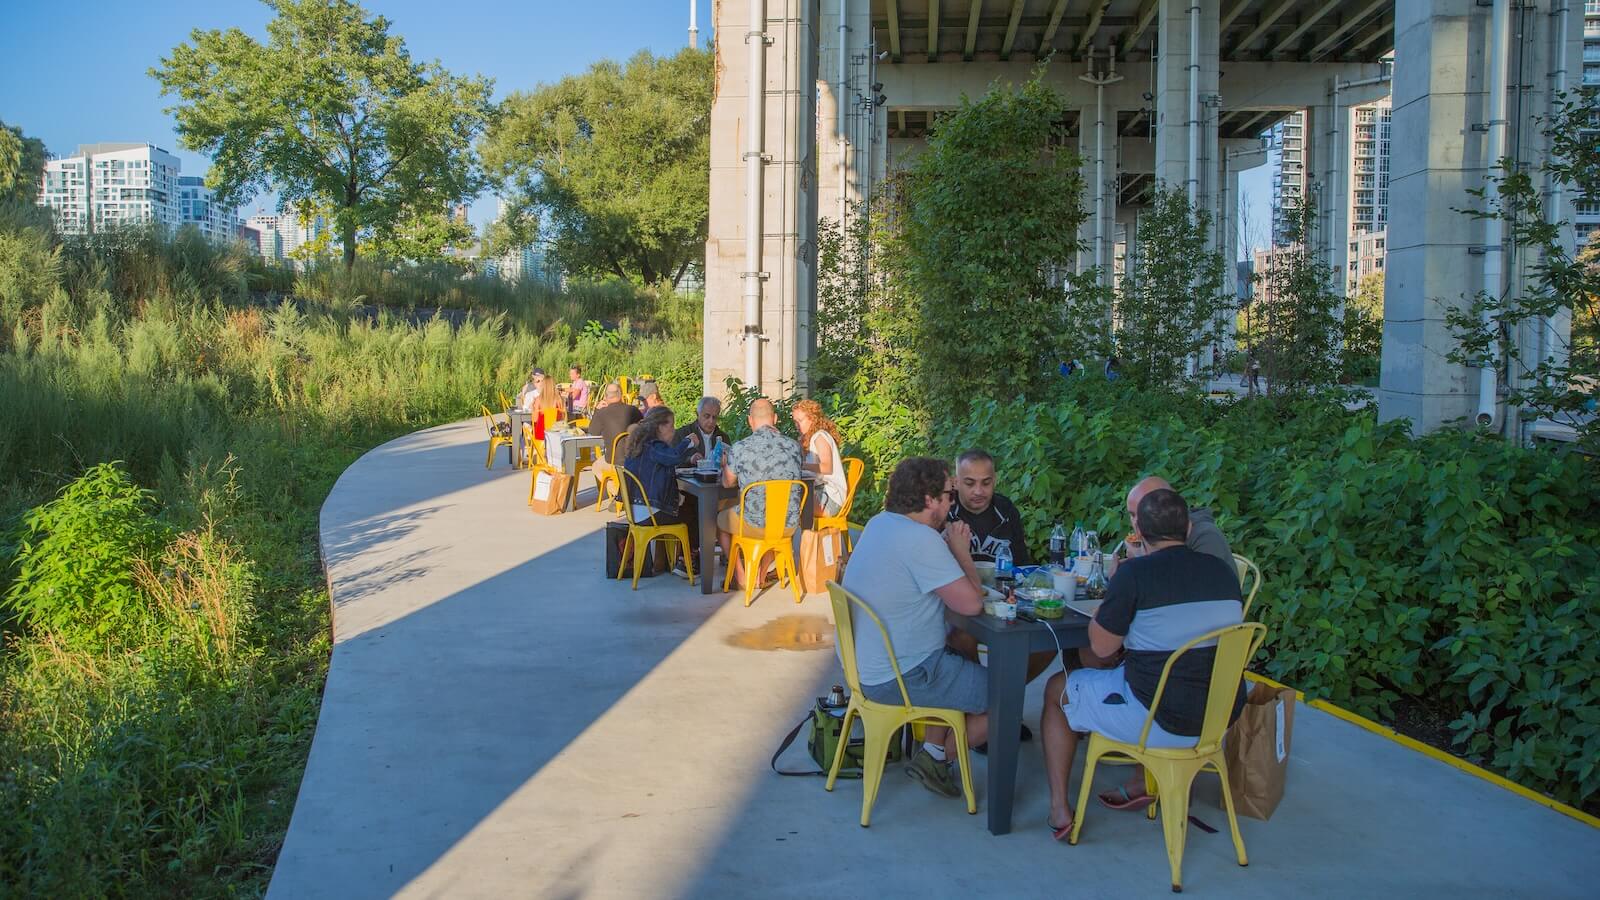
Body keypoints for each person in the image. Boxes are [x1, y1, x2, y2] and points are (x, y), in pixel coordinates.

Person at [1041, 488, 1246, 839]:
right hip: (1219, 718)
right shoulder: (1224, 573)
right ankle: (1140, 780)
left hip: (1159, 720)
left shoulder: (1136, 574)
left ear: (1140, 533)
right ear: (1189, 530)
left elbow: (1102, 647)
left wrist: (1114, 594)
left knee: (1057, 689)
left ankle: (1059, 808)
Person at [842, 456, 990, 799]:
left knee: (956, 652)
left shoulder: (880, 523)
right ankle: (937, 759)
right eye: (948, 494)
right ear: (929, 500)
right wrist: (961, 552)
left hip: (868, 669)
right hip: (904, 675)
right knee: (1007, 695)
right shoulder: (921, 540)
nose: (952, 502)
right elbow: (971, 604)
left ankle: (937, 751)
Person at [718, 397, 803, 588]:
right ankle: (760, 574)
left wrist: (726, 466)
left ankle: (741, 575)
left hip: (753, 522)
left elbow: (727, 482)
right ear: (775, 419)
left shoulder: (740, 448)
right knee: (776, 530)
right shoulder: (794, 447)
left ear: (750, 420)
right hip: (787, 524)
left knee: (720, 522)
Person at [621, 406, 701, 554]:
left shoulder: (639, 444)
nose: (674, 430)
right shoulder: (653, 446)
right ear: (660, 427)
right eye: (671, 425)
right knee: (695, 511)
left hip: (636, 511)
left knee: (686, 504)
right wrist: (688, 441)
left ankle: (671, 559)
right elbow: (674, 456)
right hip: (650, 512)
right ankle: (689, 559)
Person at [1121, 476, 1233, 571]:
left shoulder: (1206, 536)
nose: (1137, 522)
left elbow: (1187, 586)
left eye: (1144, 513)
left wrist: (1139, 558)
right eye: (1132, 515)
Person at [946, 449, 1031, 566]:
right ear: (955, 482)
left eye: (986, 483)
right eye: (970, 483)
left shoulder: (1007, 510)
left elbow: (1022, 564)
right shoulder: (945, 512)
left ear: (994, 481)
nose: (978, 491)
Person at [792, 399, 847, 516]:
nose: (797, 425)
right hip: (819, 491)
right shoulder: (809, 438)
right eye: (795, 421)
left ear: (812, 419)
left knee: (790, 505)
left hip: (831, 498)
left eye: (800, 421)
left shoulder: (819, 437)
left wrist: (801, 466)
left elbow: (827, 467)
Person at [586, 382, 643, 471]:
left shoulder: (602, 412)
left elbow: (593, 432)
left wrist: (597, 410)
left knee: (596, 466)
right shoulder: (633, 410)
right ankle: (619, 482)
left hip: (612, 460)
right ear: (621, 395)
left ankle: (612, 484)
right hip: (634, 459)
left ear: (606, 396)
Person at [675, 396, 730, 465]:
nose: (711, 421)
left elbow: (730, 464)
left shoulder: (723, 437)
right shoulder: (683, 434)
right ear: (697, 414)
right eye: (707, 416)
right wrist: (690, 459)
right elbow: (671, 459)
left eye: (714, 417)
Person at [530, 373, 564, 443]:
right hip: (557, 435)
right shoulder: (559, 399)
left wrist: (532, 409)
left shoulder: (538, 400)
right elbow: (562, 418)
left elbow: (535, 419)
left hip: (541, 435)